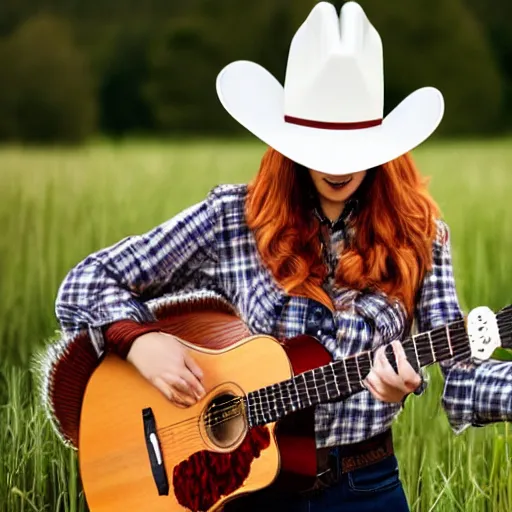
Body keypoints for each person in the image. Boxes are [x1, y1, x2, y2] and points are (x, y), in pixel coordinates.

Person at [43, 2, 512, 512]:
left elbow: (464, 386)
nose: (338, 166)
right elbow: (87, 281)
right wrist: (141, 341)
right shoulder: (231, 218)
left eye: (353, 145)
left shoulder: (421, 236)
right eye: (319, 144)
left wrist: (400, 387)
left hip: (366, 487)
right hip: (243, 488)